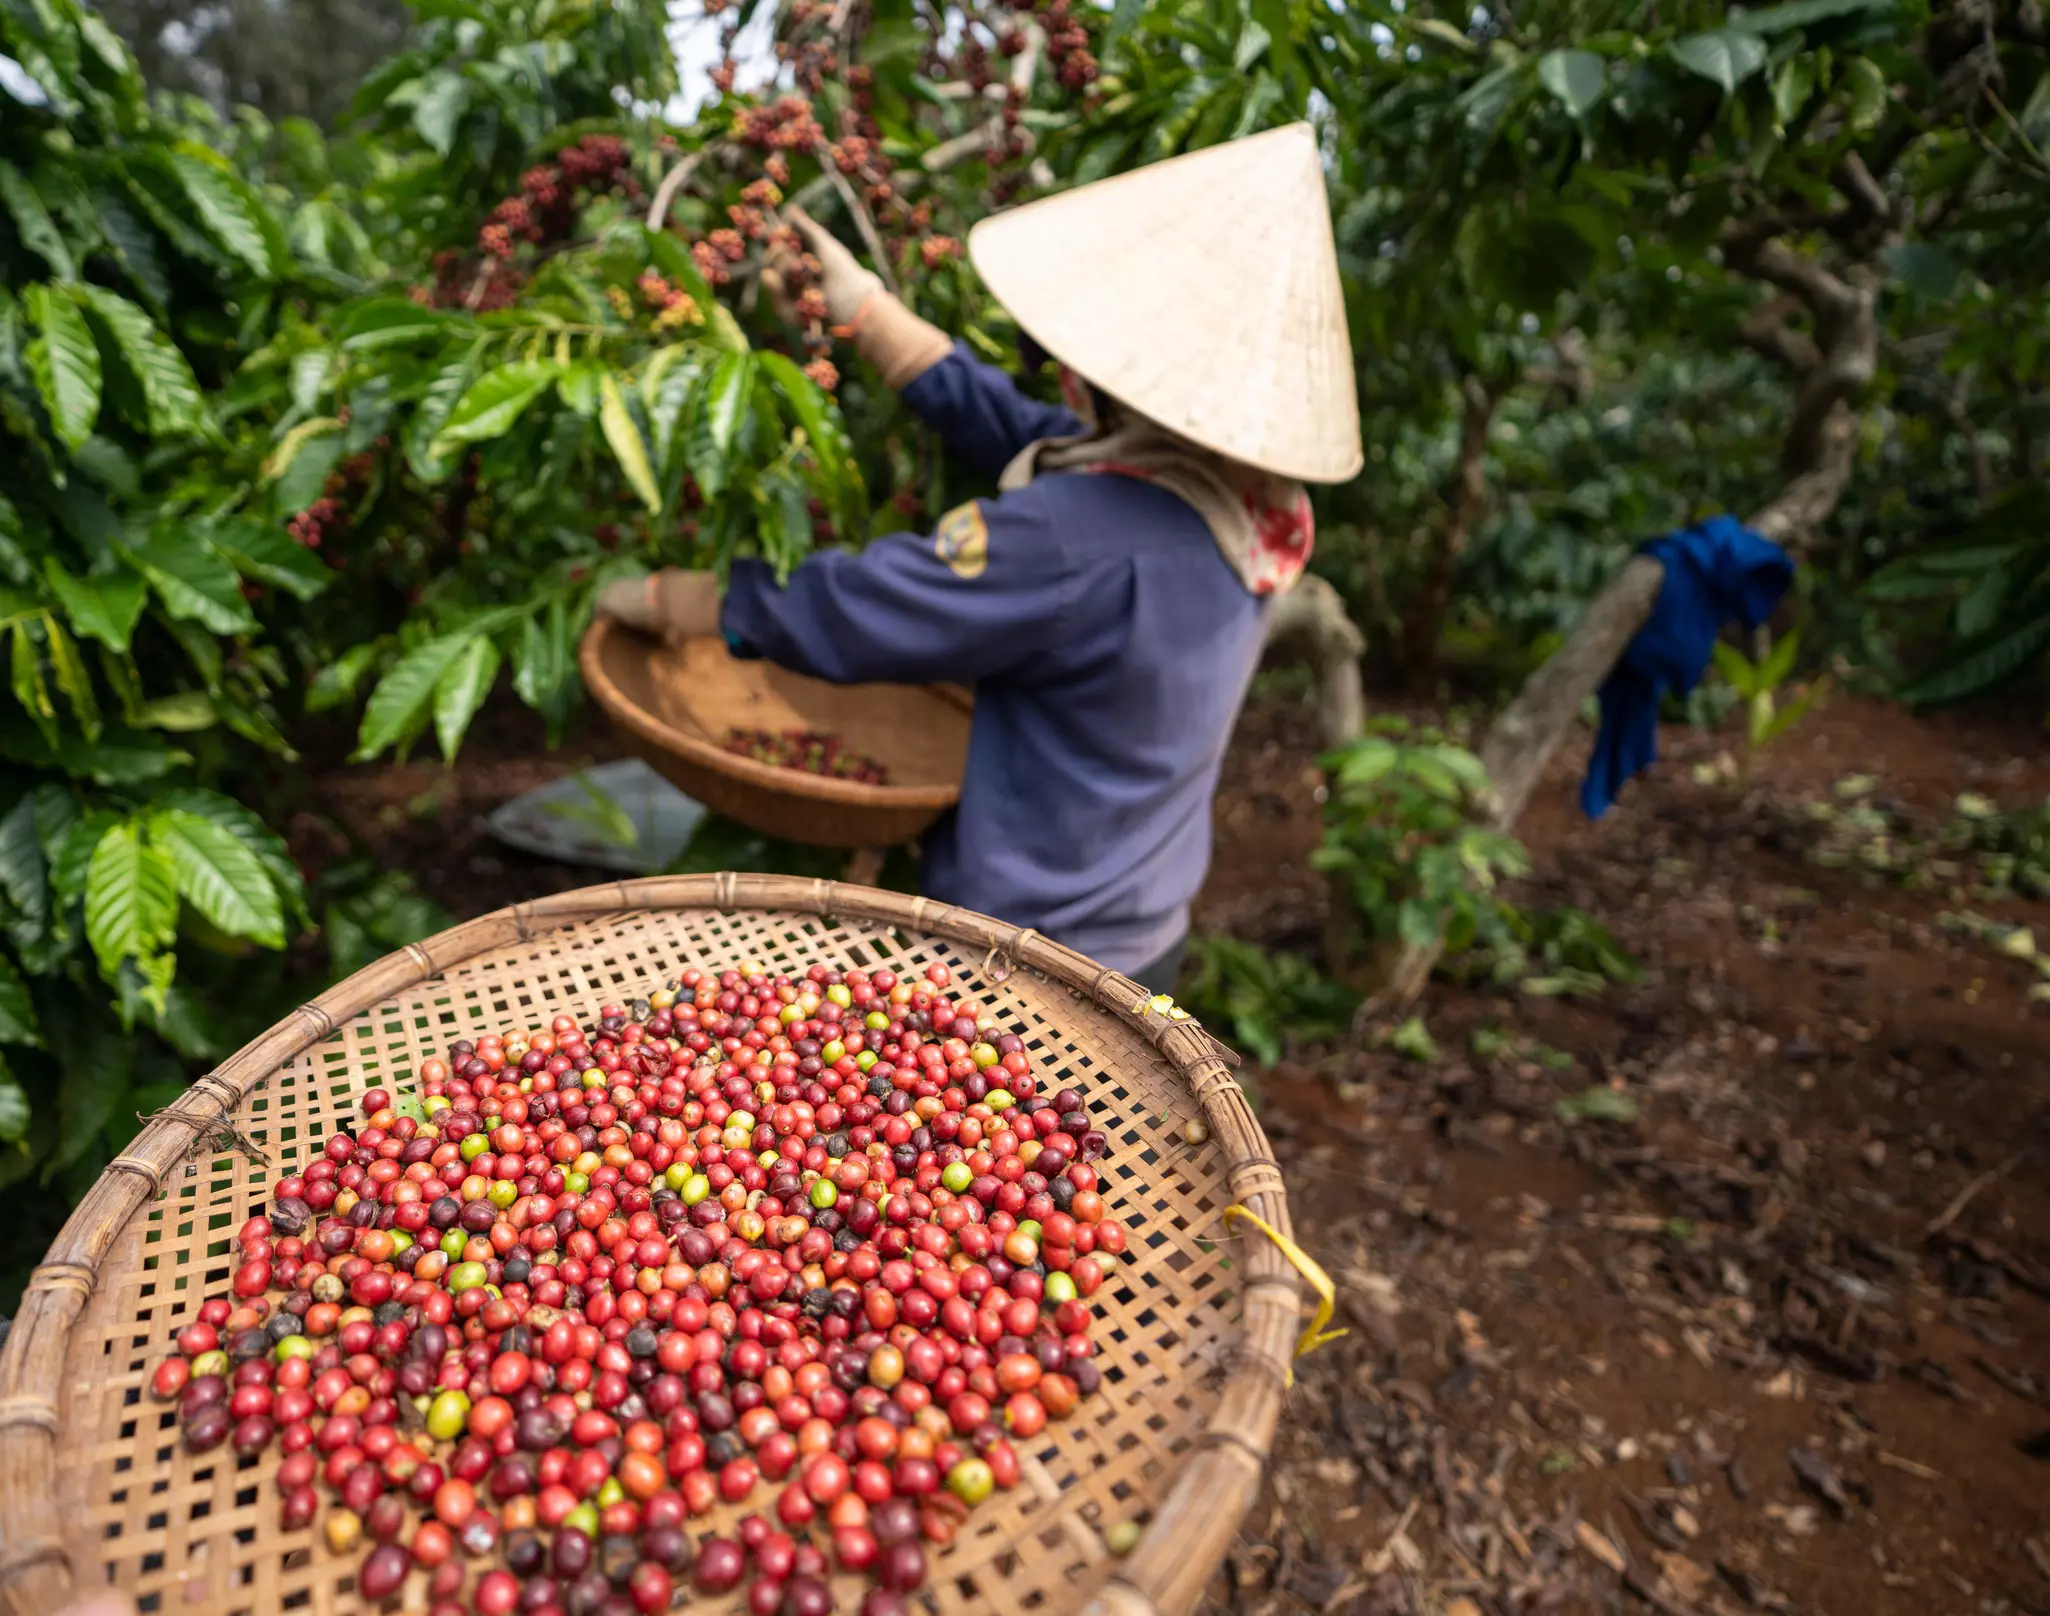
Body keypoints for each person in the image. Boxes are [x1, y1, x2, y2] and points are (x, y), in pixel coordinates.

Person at [599, 122, 1361, 992]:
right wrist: (865, 312)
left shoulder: (1070, 539)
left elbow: (861, 608)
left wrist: (683, 600)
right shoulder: (1242, 502)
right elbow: (1027, 429)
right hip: (1143, 923)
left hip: (1030, 952)